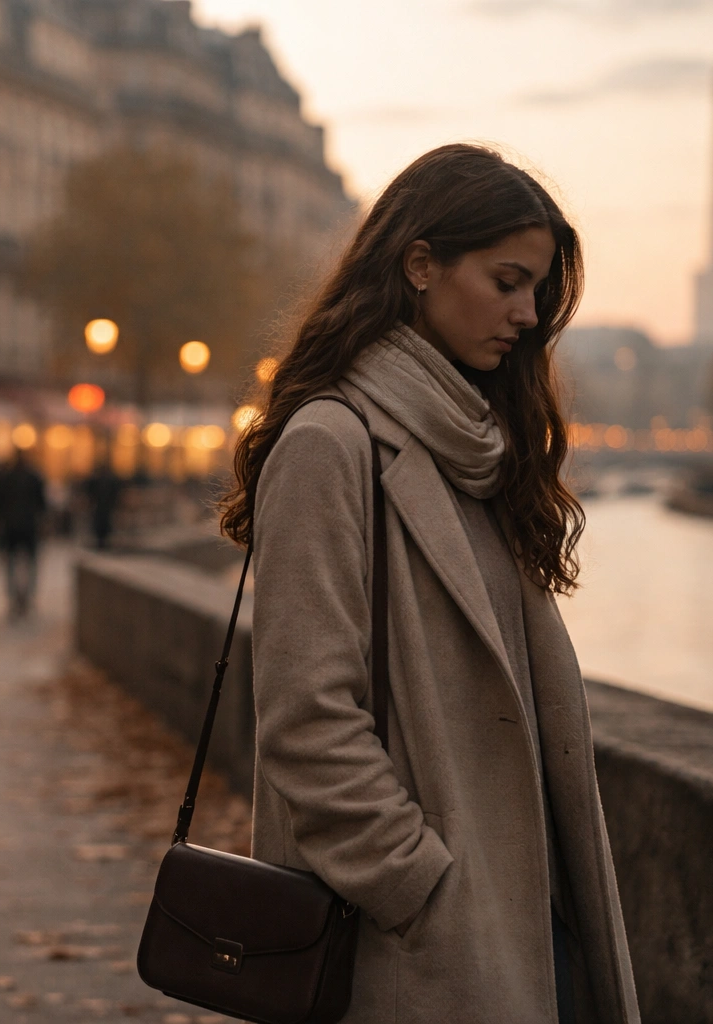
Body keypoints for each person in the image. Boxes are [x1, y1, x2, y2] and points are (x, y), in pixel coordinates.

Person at [219, 144, 639, 1023]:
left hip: (529, 918)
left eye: (539, 292)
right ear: (419, 265)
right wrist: (422, 886)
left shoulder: (479, 449)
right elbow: (305, 721)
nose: (528, 315)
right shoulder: (331, 445)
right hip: (423, 944)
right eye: (508, 281)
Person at [0, 450, 46, 617]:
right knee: (29, 563)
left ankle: (15, 598)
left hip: (10, 527)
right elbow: (42, 504)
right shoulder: (34, 476)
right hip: (28, 526)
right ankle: (26, 597)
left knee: (11, 563)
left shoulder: (5, 477)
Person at [81, 455, 124, 550]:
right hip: (99, 507)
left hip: (106, 506)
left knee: (105, 524)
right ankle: (100, 542)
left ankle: (104, 542)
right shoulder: (97, 480)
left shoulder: (110, 480)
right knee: (99, 524)